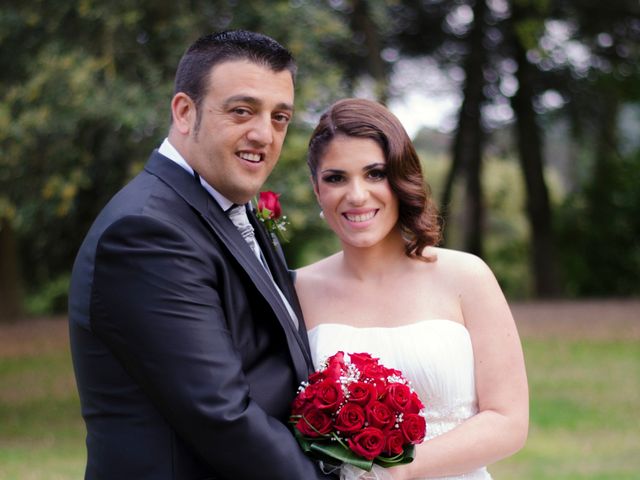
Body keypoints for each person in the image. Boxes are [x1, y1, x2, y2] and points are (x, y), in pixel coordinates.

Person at [68, 30, 332, 479]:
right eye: (242, 111)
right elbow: (221, 415)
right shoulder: (147, 233)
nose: (263, 134)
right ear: (185, 112)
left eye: (280, 117)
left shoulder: (223, 204)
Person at [295, 98, 529, 479]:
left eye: (374, 174)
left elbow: (508, 420)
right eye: (336, 178)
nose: (356, 195)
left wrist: (400, 470)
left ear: (401, 177)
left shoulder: (466, 276)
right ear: (316, 188)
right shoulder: (295, 289)